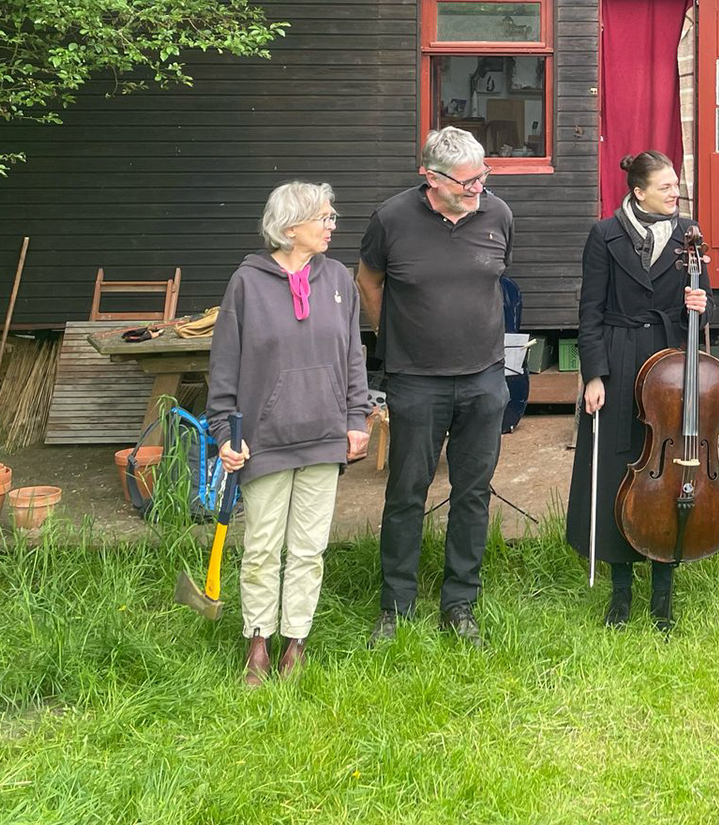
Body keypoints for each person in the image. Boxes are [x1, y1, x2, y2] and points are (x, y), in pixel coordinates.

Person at [207, 181, 370, 687]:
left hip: (323, 435)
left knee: (308, 549)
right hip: (265, 440)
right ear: (291, 227)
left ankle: (295, 641)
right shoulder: (247, 283)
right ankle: (258, 641)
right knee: (261, 548)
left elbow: (353, 355)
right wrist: (224, 432)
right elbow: (224, 365)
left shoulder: (338, 279)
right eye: (324, 217)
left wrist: (357, 418)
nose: (332, 225)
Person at [357, 127, 515, 647]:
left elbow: (494, 279)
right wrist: (392, 339)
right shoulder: (391, 219)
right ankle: (395, 605)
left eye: (482, 176)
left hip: (484, 378)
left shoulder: (498, 215)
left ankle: (460, 602)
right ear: (430, 177)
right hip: (416, 380)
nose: (479, 188)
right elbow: (368, 282)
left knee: (473, 492)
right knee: (406, 492)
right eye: (468, 182)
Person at [566, 152, 710, 631]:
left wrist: (699, 304)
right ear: (639, 191)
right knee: (616, 468)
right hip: (618, 358)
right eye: (665, 186)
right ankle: (621, 591)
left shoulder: (689, 234)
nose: (675, 193)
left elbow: (703, 312)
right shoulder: (604, 235)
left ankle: (663, 589)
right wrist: (593, 375)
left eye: (676, 184)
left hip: (669, 364)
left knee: (668, 469)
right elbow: (590, 310)